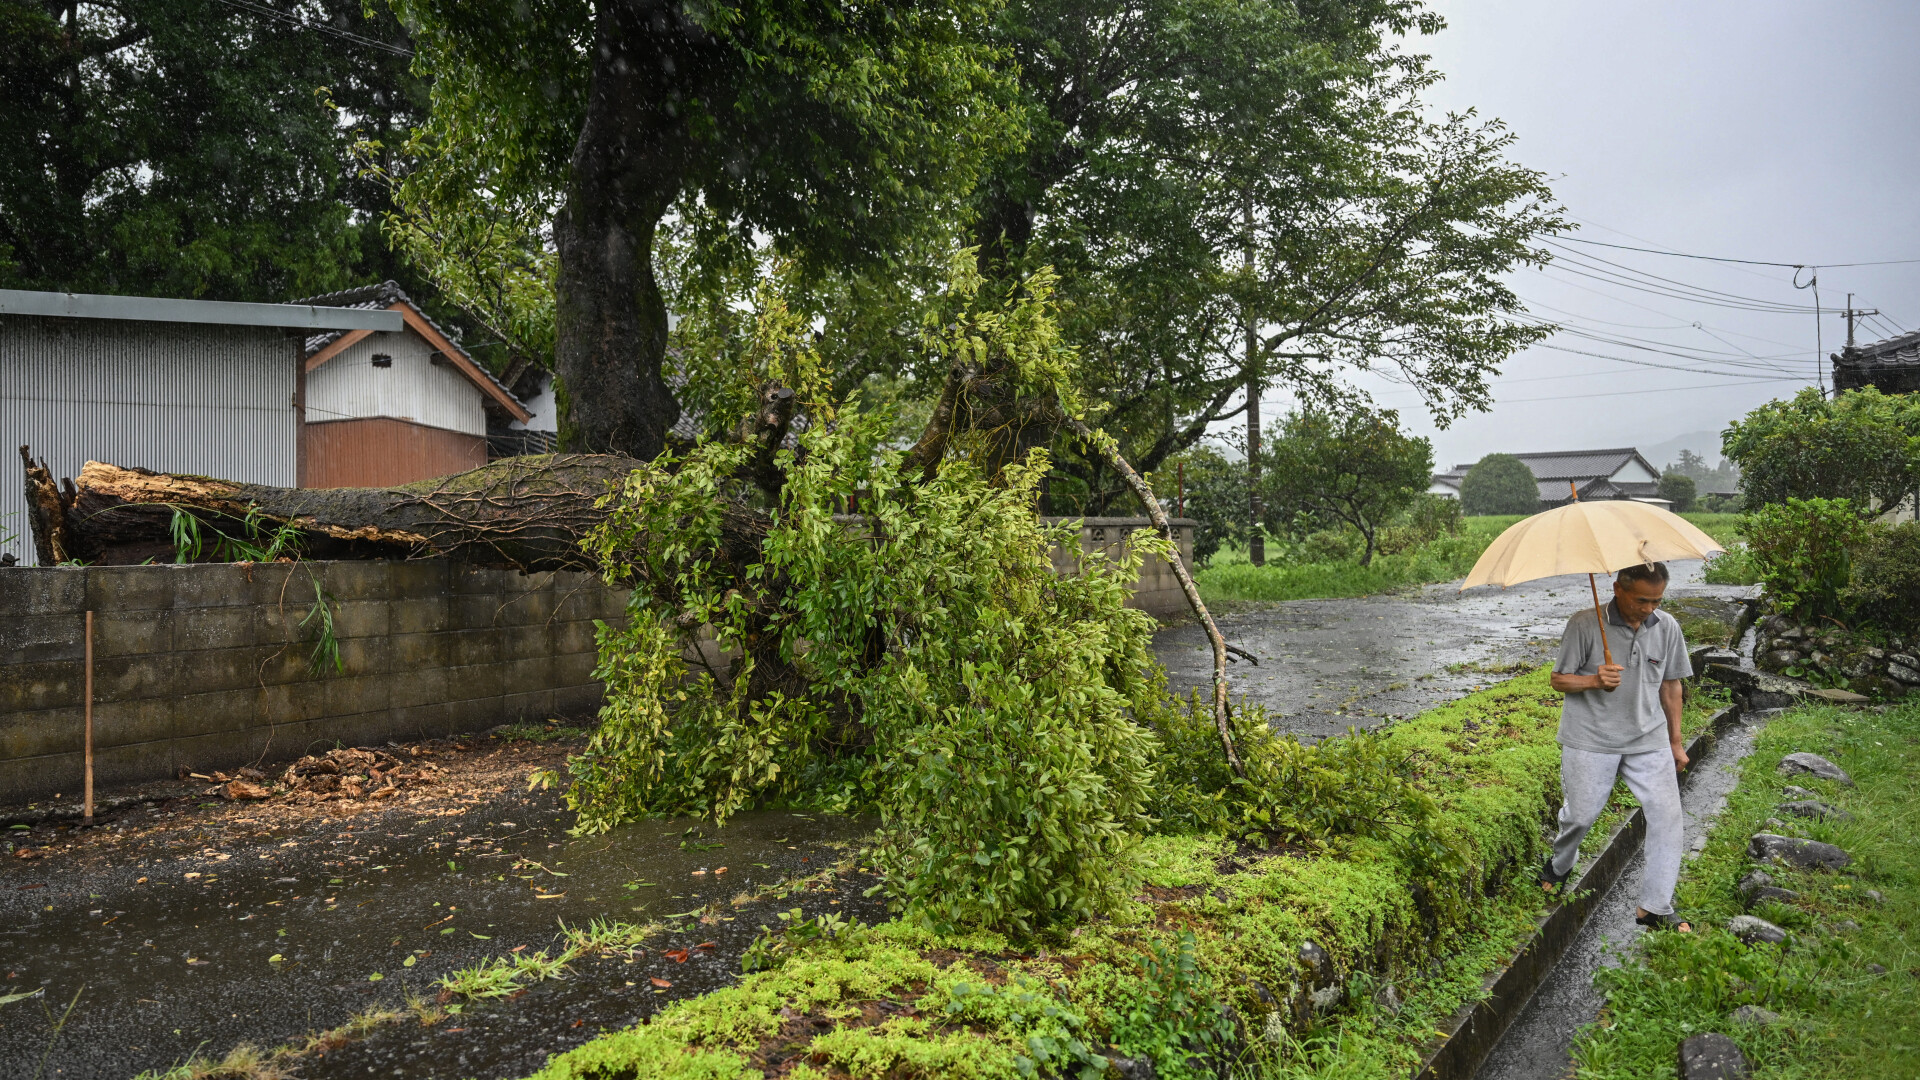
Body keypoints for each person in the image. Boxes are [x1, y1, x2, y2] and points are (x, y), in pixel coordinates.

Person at [1536, 561, 1694, 931]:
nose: (1649, 609)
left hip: (1648, 738)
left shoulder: (1667, 627)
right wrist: (1593, 680)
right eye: (1642, 600)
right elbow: (1558, 680)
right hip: (1591, 738)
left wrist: (1675, 742)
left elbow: (1671, 686)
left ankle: (1655, 906)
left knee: (1668, 817)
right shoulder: (1583, 624)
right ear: (1617, 588)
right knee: (1581, 815)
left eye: (1657, 601)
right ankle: (1560, 864)